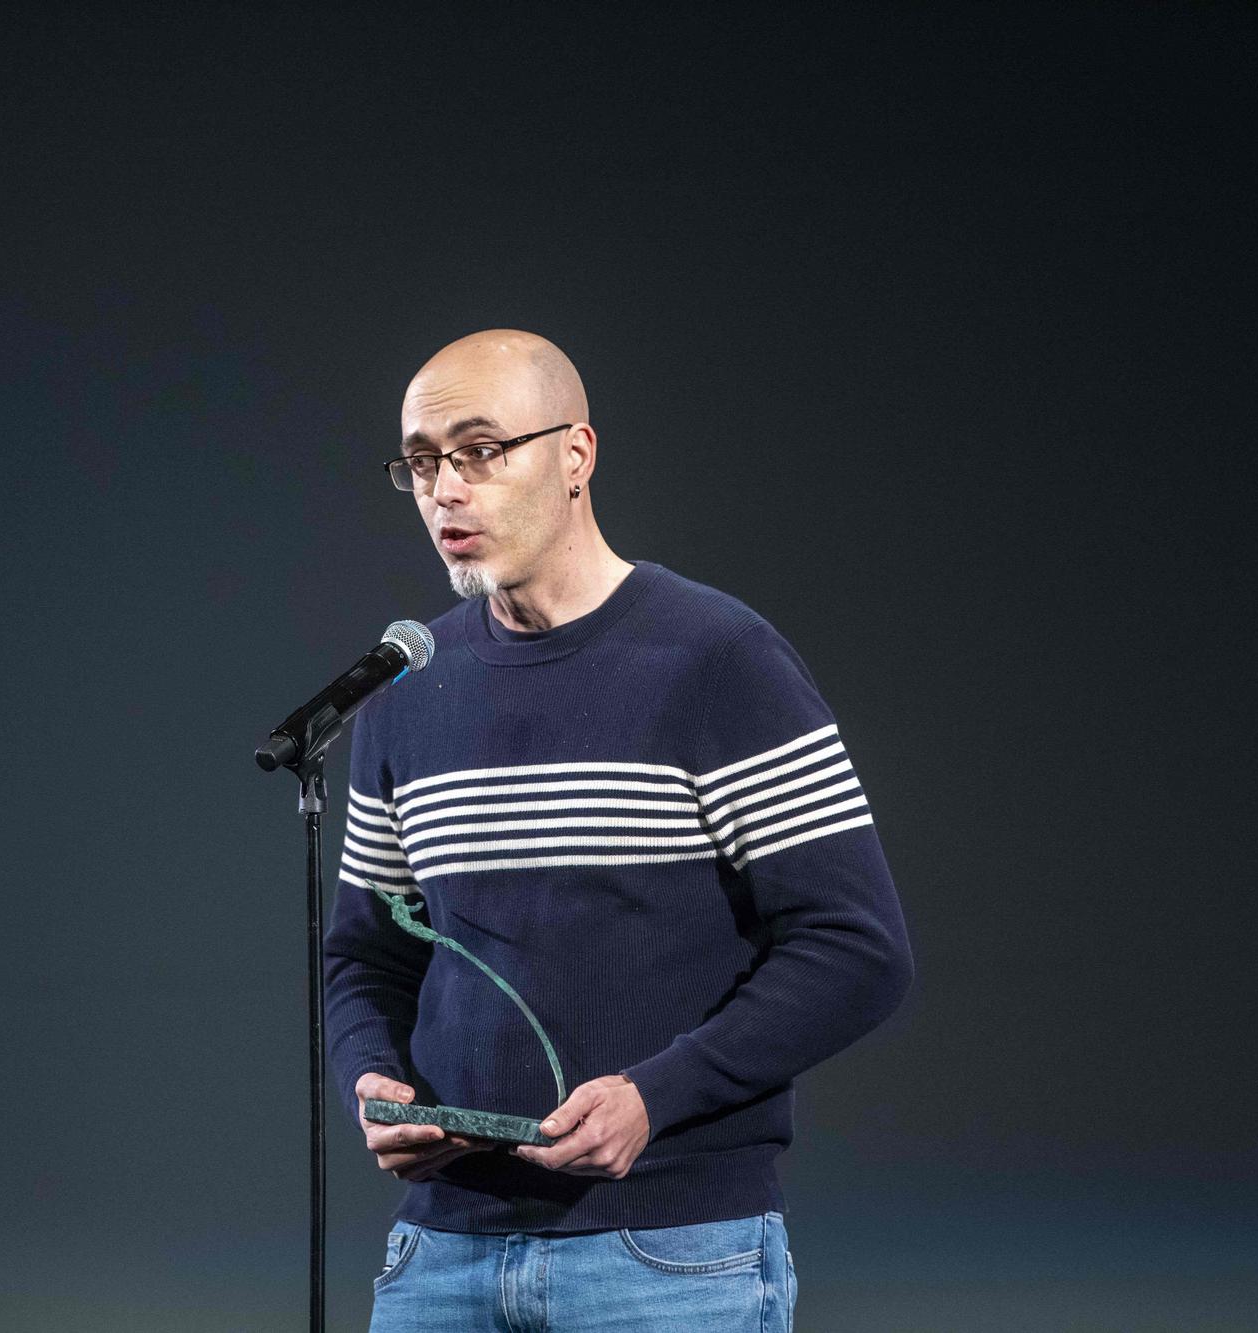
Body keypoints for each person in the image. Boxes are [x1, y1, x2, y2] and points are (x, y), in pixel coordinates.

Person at [323, 329, 913, 1331]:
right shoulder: (404, 688)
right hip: (441, 1256)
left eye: (479, 450)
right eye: (421, 461)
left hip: (667, 1256)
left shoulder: (717, 660)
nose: (445, 490)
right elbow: (361, 957)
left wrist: (656, 1094)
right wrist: (369, 1079)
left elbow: (857, 950)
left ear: (574, 455)